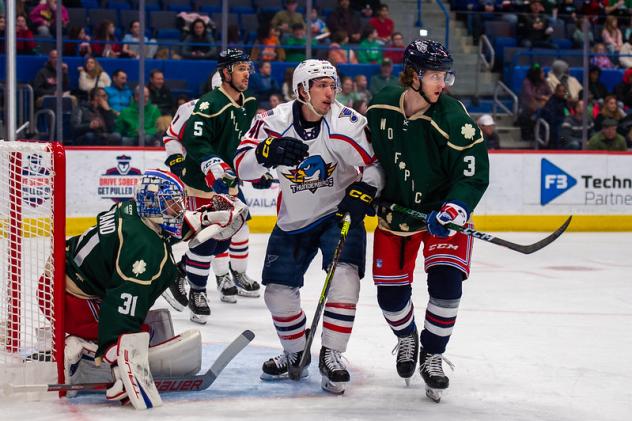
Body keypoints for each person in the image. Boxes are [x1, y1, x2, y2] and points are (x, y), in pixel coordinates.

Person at [234, 59, 384, 394]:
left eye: (333, 85)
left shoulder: (347, 123)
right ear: (302, 89)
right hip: (294, 219)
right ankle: (295, 353)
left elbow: (376, 165)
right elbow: (242, 167)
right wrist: (266, 153)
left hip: (338, 214)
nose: (330, 92)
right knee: (276, 292)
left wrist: (365, 189)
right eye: (321, 85)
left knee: (344, 279)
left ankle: (332, 354)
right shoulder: (273, 121)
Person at [48, 169, 246, 409]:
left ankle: (94, 344)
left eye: (177, 203)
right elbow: (122, 302)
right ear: (153, 205)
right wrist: (117, 349)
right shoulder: (143, 247)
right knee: (136, 332)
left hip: (61, 280)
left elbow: (169, 225)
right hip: (67, 300)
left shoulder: (133, 211)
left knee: (146, 324)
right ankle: (83, 350)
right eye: (172, 204)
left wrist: (207, 217)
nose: (178, 209)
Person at [366, 39, 489, 403]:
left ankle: (433, 354)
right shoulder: (381, 106)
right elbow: (368, 155)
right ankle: (407, 338)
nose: (442, 83)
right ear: (412, 75)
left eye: (445, 74)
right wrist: (368, 187)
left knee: (447, 286)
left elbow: (473, 175)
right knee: (389, 297)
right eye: (435, 74)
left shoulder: (454, 119)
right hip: (397, 215)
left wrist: (455, 210)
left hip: (443, 217)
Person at [166, 49, 259, 323]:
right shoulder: (202, 106)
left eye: (247, 68)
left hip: (227, 182)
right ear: (224, 75)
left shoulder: (247, 103)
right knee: (204, 239)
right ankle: (195, 287)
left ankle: (206, 273)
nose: (246, 74)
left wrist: (254, 166)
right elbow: (184, 139)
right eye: (240, 68)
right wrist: (190, 164)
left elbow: (245, 139)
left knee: (232, 229)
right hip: (201, 183)